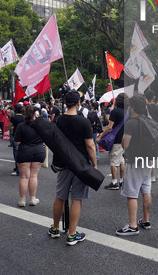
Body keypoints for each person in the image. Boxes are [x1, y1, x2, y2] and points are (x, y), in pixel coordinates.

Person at [49, 90, 97, 246]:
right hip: (80, 164)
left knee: (60, 196)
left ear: (64, 103)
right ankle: (72, 234)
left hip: (63, 163)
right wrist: (94, 164)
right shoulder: (84, 122)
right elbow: (90, 145)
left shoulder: (58, 121)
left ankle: (55, 228)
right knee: (77, 197)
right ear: (78, 103)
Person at [116, 94, 153, 236]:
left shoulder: (132, 122)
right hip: (147, 160)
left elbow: (125, 144)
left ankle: (132, 225)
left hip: (135, 161)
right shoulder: (148, 119)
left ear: (132, 107)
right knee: (146, 191)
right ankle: (146, 220)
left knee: (132, 194)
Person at [14, 106, 46, 207]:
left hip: (24, 151)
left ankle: (22, 200)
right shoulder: (41, 125)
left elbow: (17, 142)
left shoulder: (21, 126)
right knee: (34, 176)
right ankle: (32, 198)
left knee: (24, 177)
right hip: (39, 151)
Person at [98, 94, 126, 190]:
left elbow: (109, 126)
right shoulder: (128, 112)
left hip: (116, 139)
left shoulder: (115, 112)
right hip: (125, 138)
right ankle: (122, 180)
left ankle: (114, 182)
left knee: (114, 160)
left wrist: (101, 136)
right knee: (121, 160)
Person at [9, 103, 25, 176]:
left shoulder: (13, 118)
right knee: (23, 152)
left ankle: (18, 169)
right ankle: (22, 168)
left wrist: (12, 129)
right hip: (23, 136)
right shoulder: (24, 117)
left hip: (16, 136)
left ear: (15, 109)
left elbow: (9, 126)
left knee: (16, 153)